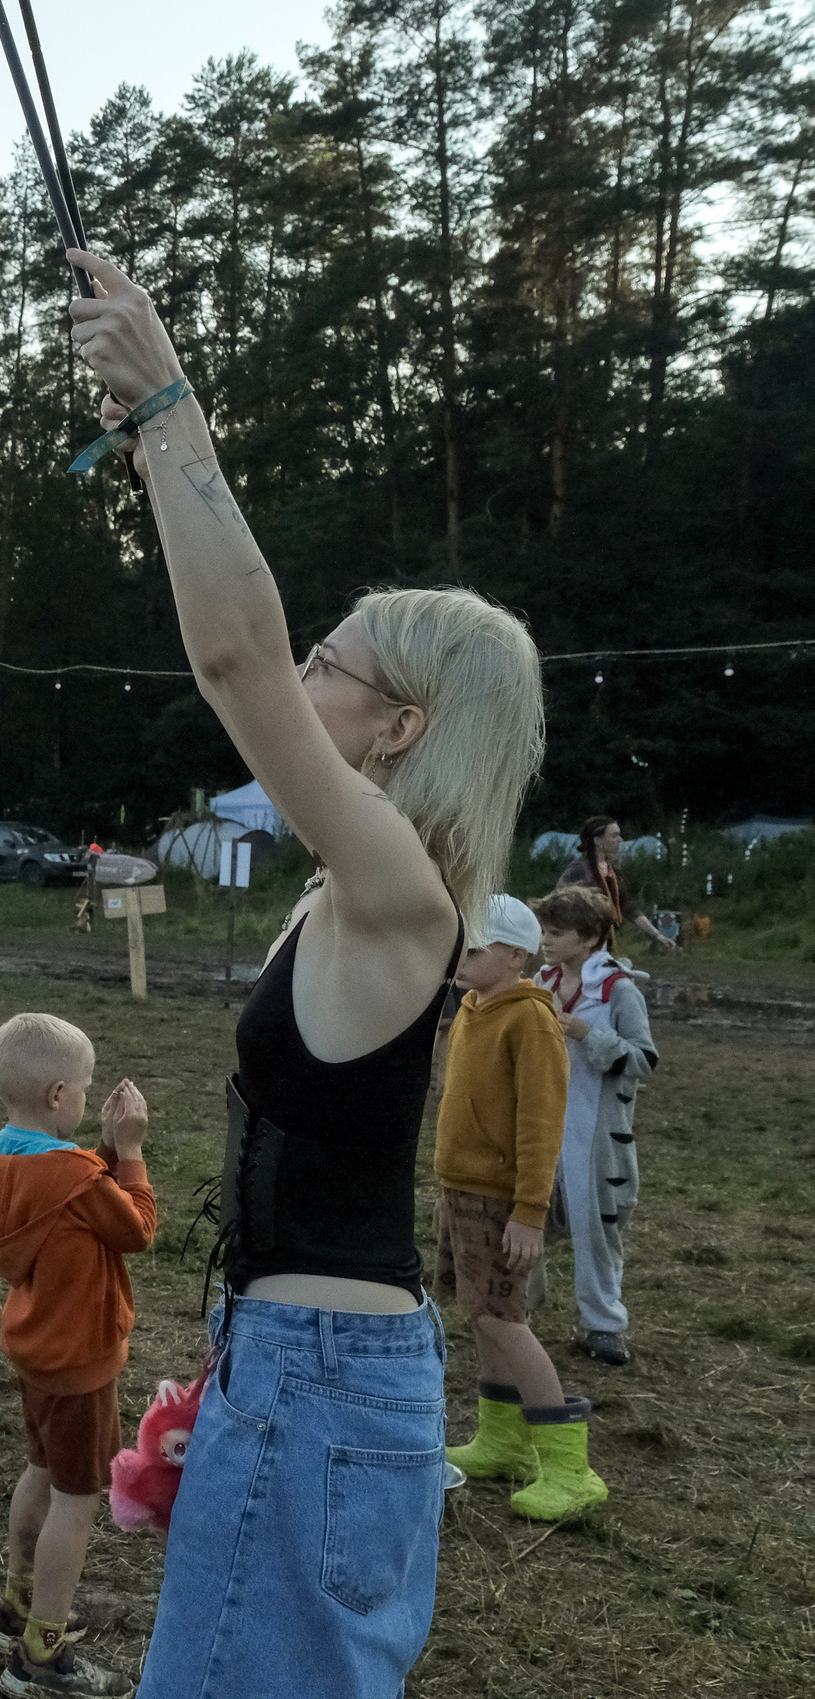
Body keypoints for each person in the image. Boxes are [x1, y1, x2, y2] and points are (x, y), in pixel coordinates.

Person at [71, 243, 546, 1698]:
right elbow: (251, 655)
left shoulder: (402, 891)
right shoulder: (363, 890)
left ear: (402, 730)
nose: (303, 678)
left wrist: (171, 406)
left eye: (330, 663)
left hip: (323, 1383)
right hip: (294, 1364)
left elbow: (235, 659)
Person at [0, 1013, 155, 1697]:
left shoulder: (1, 1155)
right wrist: (129, 1150)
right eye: (83, 1088)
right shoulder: (75, 1177)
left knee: (41, 1470)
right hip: (79, 1363)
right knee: (77, 1502)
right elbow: (136, 1227)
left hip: (36, 1352)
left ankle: (14, 1606)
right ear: (56, 1095)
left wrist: (101, 1147)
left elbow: (74, 1190)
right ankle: (41, 1654)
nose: (86, 1097)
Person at [435, 895, 605, 1518]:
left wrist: (529, 1211)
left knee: (504, 1318)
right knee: (482, 1314)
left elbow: (541, 1121)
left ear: (515, 955)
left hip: (501, 1200)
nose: (462, 957)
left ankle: (569, 1469)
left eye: (476, 948)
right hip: (462, 1191)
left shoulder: (531, 1021)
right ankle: (503, 1441)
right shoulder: (472, 1008)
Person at [533, 884, 658, 1369]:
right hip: (541, 1125)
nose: (545, 940)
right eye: (544, 931)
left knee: (596, 1231)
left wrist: (588, 1035)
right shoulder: (540, 982)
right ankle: (516, 1313)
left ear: (587, 938)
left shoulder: (619, 990)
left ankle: (603, 1325)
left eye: (556, 932)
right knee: (523, 1220)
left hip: (596, 1133)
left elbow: (643, 1059)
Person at [555, 816, 677, 950]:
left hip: (604, 942)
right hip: (582, 944)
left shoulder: (611, 870)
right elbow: (561, 906)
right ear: (597, 840)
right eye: (614, 836)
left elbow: (628, 907)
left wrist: (658, 935)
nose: (620, 840)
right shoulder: (578, 871)